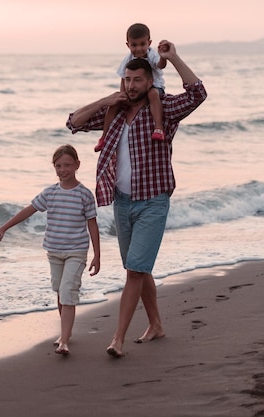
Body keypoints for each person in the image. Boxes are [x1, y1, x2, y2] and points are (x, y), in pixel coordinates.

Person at [66, 41, 207, 358]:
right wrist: (107, 99)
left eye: (138, 80)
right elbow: (73, 122)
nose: (131, 86)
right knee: (139, 269)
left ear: (150, 81)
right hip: (122, 202)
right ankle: (156, 324)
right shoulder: (114, 114)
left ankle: (118, 338)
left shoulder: (165, 111)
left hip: (153, 202)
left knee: (133, 271)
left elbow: (198, 93)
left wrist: (173, 58)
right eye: (127, 80)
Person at [0, 144, 100, 356]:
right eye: (58, 165)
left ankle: (64, 340)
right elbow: (29, 210)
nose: (63, 169)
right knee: (60, 292)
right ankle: (66, 332)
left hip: (76, 251)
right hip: (54, 251)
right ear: (54, 167)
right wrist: (4, 227)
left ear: (77, 165)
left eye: (68, 165)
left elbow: (92, 224)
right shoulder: (50, 193)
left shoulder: (85, 194)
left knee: (68, 291)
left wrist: (97, 254)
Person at [94, 23, 167, 153]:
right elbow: (123, 77)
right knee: (115, 102)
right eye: (134, 45)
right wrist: (122, 95)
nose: (138, 48)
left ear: (149, 43)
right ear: (128, 45)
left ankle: (158, 127)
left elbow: (160, 65)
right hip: (135, 90)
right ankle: (104, 137)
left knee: (153, 94)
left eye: (142, 44)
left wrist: (164, 56)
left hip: (155, 87)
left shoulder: (152, 55)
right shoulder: (128, 59)